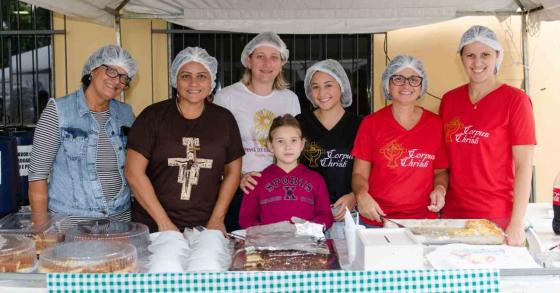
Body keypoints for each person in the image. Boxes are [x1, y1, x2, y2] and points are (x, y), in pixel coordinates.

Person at [125, 47, 244, 233]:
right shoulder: (153, 116)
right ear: (175, 80)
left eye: (202, 76)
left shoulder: (224, 120)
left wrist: (217, 219)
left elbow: (233, 172)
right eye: (186, 76)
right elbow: (133, 172)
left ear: (212, 80)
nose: (193, 83)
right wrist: (164, 224)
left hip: (206, 225)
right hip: (154, 225)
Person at [439, 25, 536, 246]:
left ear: (497, 56)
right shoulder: (449, 101)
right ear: (461, 58)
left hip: (497, 216)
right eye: (470, 55)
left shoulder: (516, 101)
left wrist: (516, 222)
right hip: (454, 216)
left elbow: (524, 165)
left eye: (485, 55)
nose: (477, 62)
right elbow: (444, 163)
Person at [28, 44, 137, 223]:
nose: (116, 80)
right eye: (111, 71)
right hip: (72, 224)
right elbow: (37, 175)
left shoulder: (126, 114)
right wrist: (42, 231)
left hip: (120, 221)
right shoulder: (58, 111)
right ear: (93, 71)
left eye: (123, 77)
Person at [213, 32, 301, 231]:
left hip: (280, 188)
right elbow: (216, 148)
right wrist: (238, 176)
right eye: (260, 56)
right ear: (248, 60)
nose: (267, 63)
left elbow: (294, 146)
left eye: (274, 57)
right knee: (242, 251)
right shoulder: (227, 97)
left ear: (281, 64)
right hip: (240, 189)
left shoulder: (290, 99)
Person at [352, 55, 449, 227]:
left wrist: (440, 189)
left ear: (422, 86)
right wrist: (361, 194)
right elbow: (359, 174)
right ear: (387, 85)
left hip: (423, 222)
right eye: (398, 78)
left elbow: (440, 172)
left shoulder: (435, 124)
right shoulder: (371, 124)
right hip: (377, 220)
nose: (406, 85)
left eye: (413, 79)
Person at [296, 59, 362, 237]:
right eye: (315, 87)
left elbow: (370, 170)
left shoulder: (360, 125)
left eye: (328, 85)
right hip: (308, 214)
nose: (322, 93)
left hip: (346, 214)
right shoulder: (300, 123)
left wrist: (355, 196)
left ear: (342, 86)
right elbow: (288, 166)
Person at [239, 114, 333, 229]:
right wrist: (267, 234)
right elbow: (246, 219)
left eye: (293, 140)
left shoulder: (316, 179)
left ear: (302, 144)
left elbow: (326, 216)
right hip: (268, 244)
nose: (288, 147)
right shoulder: (255, 181)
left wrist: (308, 230)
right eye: (280, 141)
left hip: (305, 244)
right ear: (270, 145)